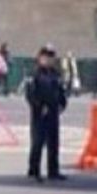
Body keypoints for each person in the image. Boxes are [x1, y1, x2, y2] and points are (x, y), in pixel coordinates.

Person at [25, 46, 68, 182]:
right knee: (38, 142)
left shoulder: (55, 73)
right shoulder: (35, 74)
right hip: (40, 112)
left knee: (53, 142)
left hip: (53, 111)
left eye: (51, 56)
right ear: (40, 57)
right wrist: (38, 106)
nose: (49, 59)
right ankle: (34, 170)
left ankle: (53, 171)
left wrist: (62, 103)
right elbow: (30, 94)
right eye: (46, 56)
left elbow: (60, 90)